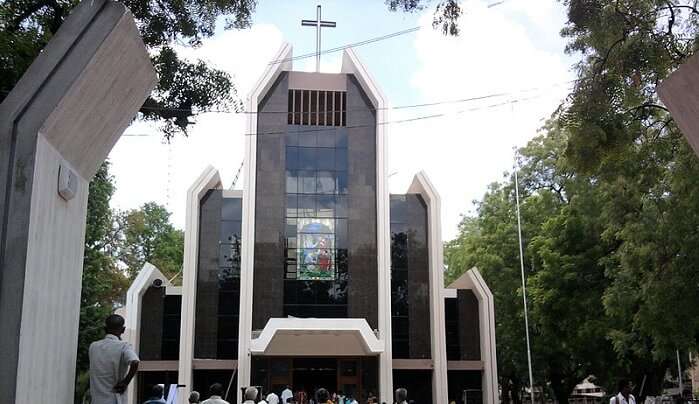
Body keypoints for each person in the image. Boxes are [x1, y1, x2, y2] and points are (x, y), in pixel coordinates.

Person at [88, 314, 140, 404]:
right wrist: (125, 382)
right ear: (123, 330)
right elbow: (135, 362)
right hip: (115, 399)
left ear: (105, 329)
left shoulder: (93, 346)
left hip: (96, 400)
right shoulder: (124, 346)